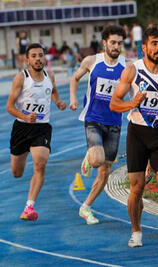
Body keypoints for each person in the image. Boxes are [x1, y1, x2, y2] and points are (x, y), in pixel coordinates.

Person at [110, 26, 158, 248]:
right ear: (144, 46)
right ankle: (136, 231)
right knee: (136, 188)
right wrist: (133, 103)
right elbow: (114, 103)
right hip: (138, 133)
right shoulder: (132, 70)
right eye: (154, 44)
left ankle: (154, 167)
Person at [69, 25, 126, 225]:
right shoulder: (92, 61)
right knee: (96, 160)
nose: (116, 46)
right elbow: (75, 78)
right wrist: (73, 98)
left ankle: (86, 207)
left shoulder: (127, 66)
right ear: (104, 43)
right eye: (112, 42)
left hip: (114, 122)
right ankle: (90, 155)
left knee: (105, 171)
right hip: (93, 118)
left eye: (119, 43)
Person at [6, 43, 66, 221]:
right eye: (34, 56)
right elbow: (9, 106)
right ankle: (22, 157)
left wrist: (58, 102)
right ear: (28, 59)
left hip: (42, 127)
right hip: (22, 129)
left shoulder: (50, 75)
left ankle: (29, 207)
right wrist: (25, 116)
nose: (38, 59)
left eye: (40, 55)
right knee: (17, 173)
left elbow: (53, 92)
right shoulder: (21, 78)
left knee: (40, 164)